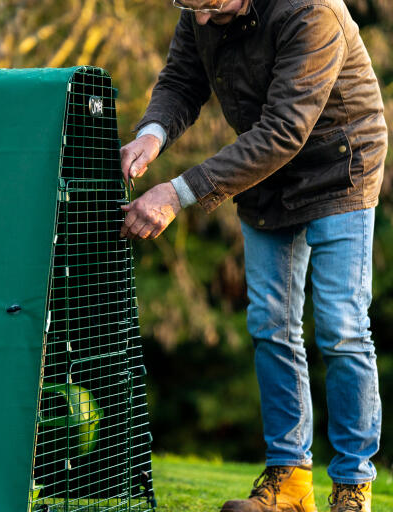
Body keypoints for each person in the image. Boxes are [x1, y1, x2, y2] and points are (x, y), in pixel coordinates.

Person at [119, 0, 387, 510]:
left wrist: (175, 193)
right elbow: (181, 80)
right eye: (188, 5)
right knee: (271, 323)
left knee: (342, 326)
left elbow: (285, 130)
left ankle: (353, 484)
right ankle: (288, 481)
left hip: (339, 168)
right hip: (265, 172)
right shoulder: (202, 9)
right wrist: (150, 136)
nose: (198, 18)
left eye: (208, 5)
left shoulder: (311, 12)